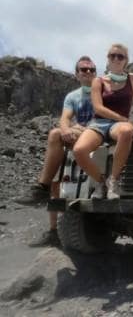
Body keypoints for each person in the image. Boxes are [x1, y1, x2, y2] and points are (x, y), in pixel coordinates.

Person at [15, 56, 97, 247]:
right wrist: (67, 129)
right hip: (77, 134)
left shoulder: (102, 91)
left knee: (58, 136)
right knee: (55, 140)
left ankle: (41, 189)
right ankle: (53, 228)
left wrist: (81, 129)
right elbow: (65, 118)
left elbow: (104, 118)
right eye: (83, 70)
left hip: (97, 134)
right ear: (77, 74)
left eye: (91, 69)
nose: (88, 73)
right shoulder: (73, 96)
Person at [73, 44, 133, 199]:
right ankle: (100, 182)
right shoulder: (98, 81)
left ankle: (113, 180)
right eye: (112, 55)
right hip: (99, 123)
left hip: (118, 126)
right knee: (79, 150)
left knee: (127, 131)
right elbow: (98, 108)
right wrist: (123, 118)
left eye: (120, 56)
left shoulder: (131, 79)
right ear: (107, 59)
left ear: (126, 60)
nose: (116, 59)